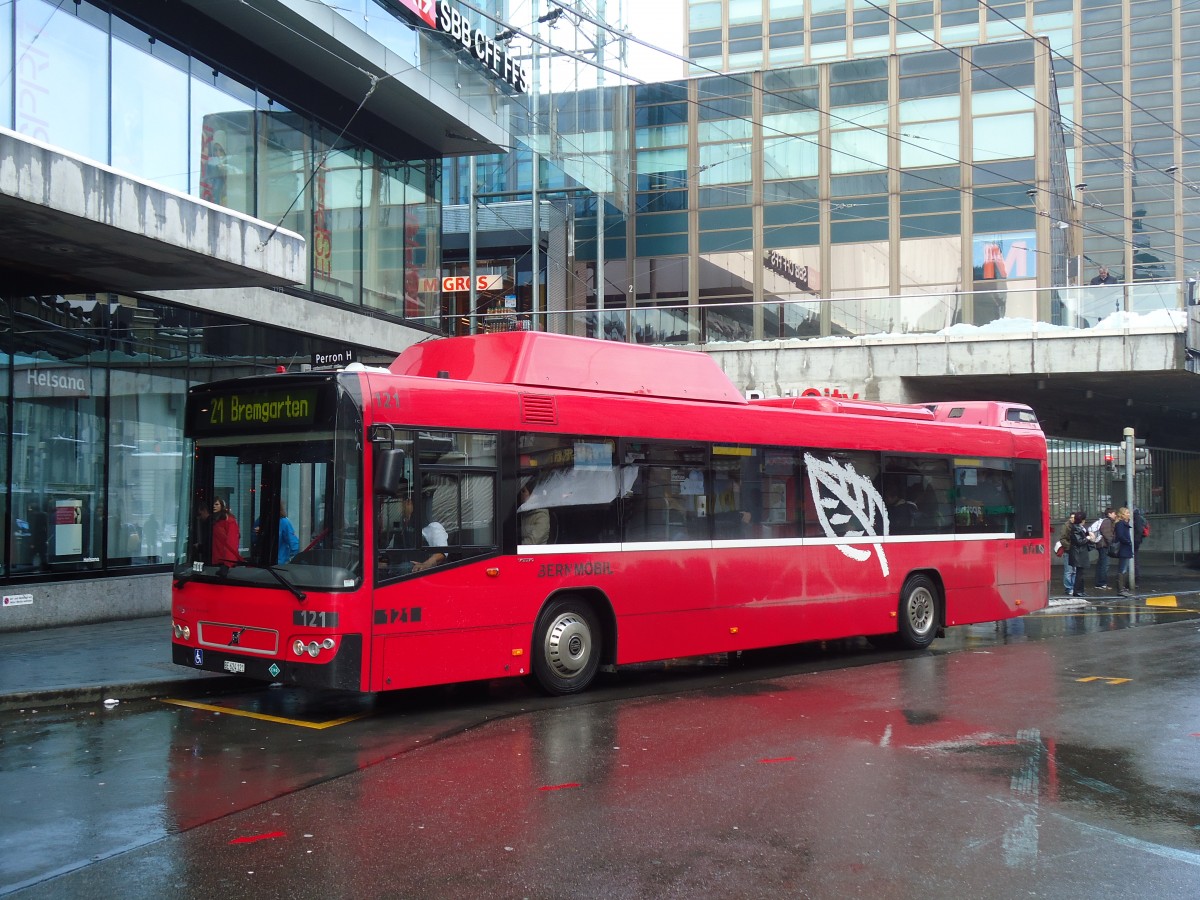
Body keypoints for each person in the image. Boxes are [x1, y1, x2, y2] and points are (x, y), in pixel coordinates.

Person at [386, 489, 447, 574]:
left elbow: (442, 552)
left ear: (409, 503)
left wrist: (426, 564)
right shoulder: (401, 527)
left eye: (401, 503)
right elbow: (391, 551)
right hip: (395, 570)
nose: (399, 507)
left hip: (416, 573)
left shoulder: (432, 526)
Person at [1066, 509, 1093, 596]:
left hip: (1081, 552)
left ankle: (1080, 590)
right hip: (1078, 553)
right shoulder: (1075, 528)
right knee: (1079, 573)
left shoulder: (1080, 528)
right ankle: (1077, 591)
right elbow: (1079, 541)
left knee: (1081, 573)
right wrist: (1088, 538)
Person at [210, 497, 241, 566]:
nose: (214, 506)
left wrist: (228, 563)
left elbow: (232, 542)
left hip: (223, 561)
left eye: (216, 504)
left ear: (222, 506)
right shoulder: (213, 520)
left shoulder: (229, 521)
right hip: (214, 559)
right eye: (213, 504)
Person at [1091, 507, 1116, 591]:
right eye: (1114, 513)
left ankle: (1099, 583)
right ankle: (1102, 583)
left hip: (1101, 545)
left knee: (1101, 564)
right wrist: (1111, 542)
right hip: (1103, 545)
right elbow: (1107, 534)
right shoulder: (1107, 521)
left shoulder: (1105, 521)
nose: (1115, 515)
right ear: (1109, 514)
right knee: (1104, 565)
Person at [518, 480, 549, 545]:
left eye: (523, 491)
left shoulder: (542, 516)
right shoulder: (524, 512)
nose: (521, 494)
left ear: (533, 494)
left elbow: (531, 542)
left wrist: (512, 547)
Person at [1114, 507, 1135, 596]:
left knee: (1124, 569)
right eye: (1127, 513)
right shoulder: (1120, 524)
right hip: (1123, 548)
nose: (1129, 514)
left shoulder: (1123, 524)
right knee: (1122, 569)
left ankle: (1123, 588)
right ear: (1122, 515)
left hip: (1125, 548)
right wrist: (1128, 542)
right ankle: (1121, 589)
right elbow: (1121, 536)